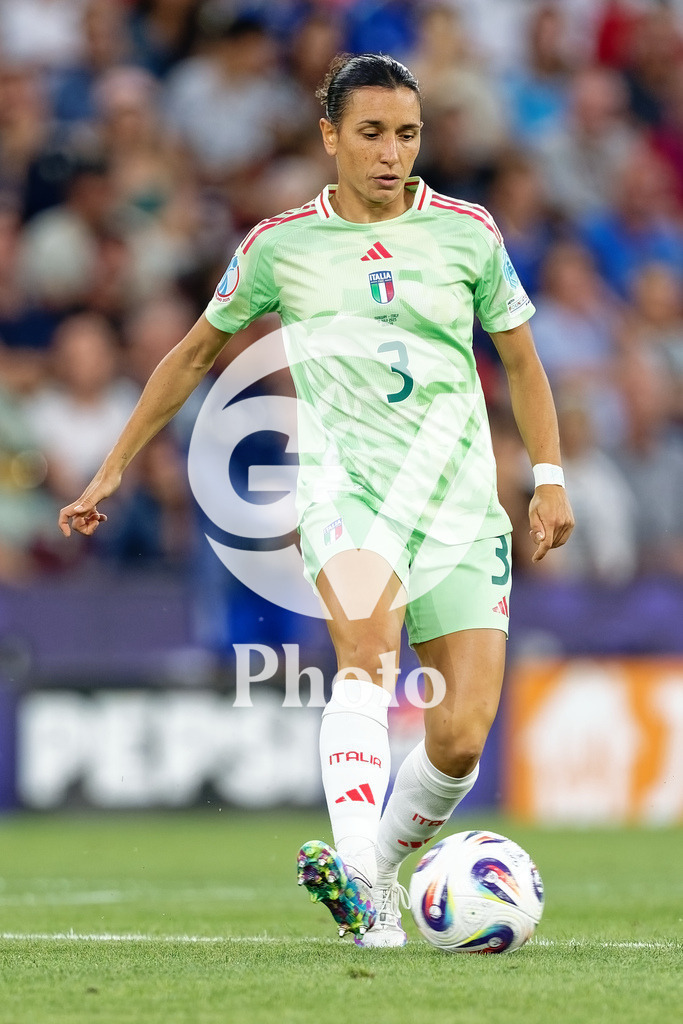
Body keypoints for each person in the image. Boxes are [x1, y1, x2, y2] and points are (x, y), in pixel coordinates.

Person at [58, 54, 574, 948]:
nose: (390, 154)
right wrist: (112, 465)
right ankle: (368, 907)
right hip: (348, 491)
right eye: (370, 133)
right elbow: (190, 356)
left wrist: (551, 479)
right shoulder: (279, 244)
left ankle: (370, 867)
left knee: (459, 735)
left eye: (406, 135)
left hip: (458, 500)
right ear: (330, 135)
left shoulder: (468, 233)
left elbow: (521, 363)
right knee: (367, 659)